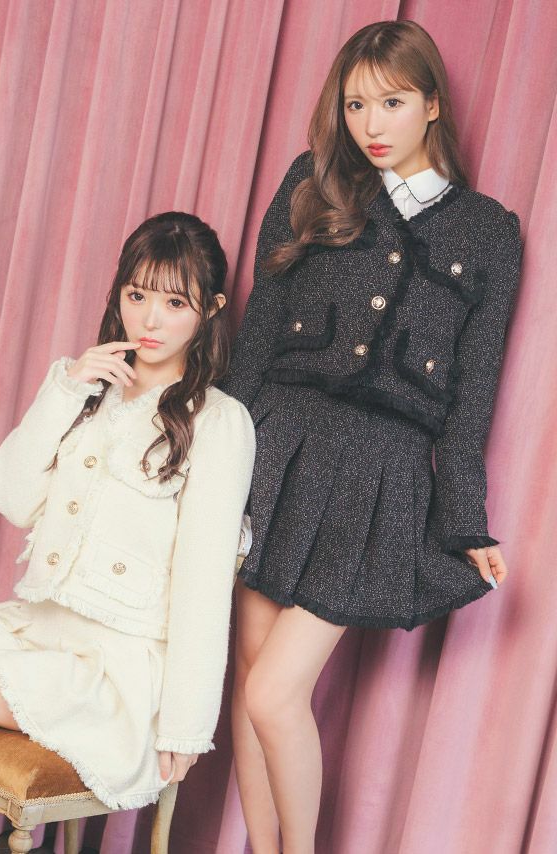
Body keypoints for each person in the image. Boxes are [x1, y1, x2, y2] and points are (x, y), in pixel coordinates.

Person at [220, 20, 523, 854]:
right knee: (250, 677)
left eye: (391, 102)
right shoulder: (312, 183)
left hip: (378, 477)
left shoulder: (489, 232)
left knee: (274, 694)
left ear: (432, 103)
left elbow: (473, 397)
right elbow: (257, 335)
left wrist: (465, 521)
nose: (371, 124)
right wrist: (211, 462)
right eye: (355, 105)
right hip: (276, 449)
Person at [0, 211, 256, 818]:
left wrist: (186, 725)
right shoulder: (85, 391)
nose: (150, 320)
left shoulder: (217, 421)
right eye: (137, 295)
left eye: (175, 302)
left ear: (210, 309)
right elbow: (12, 498)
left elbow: (204, 585)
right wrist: (67, 388)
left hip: (113, 674)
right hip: (38, 633)